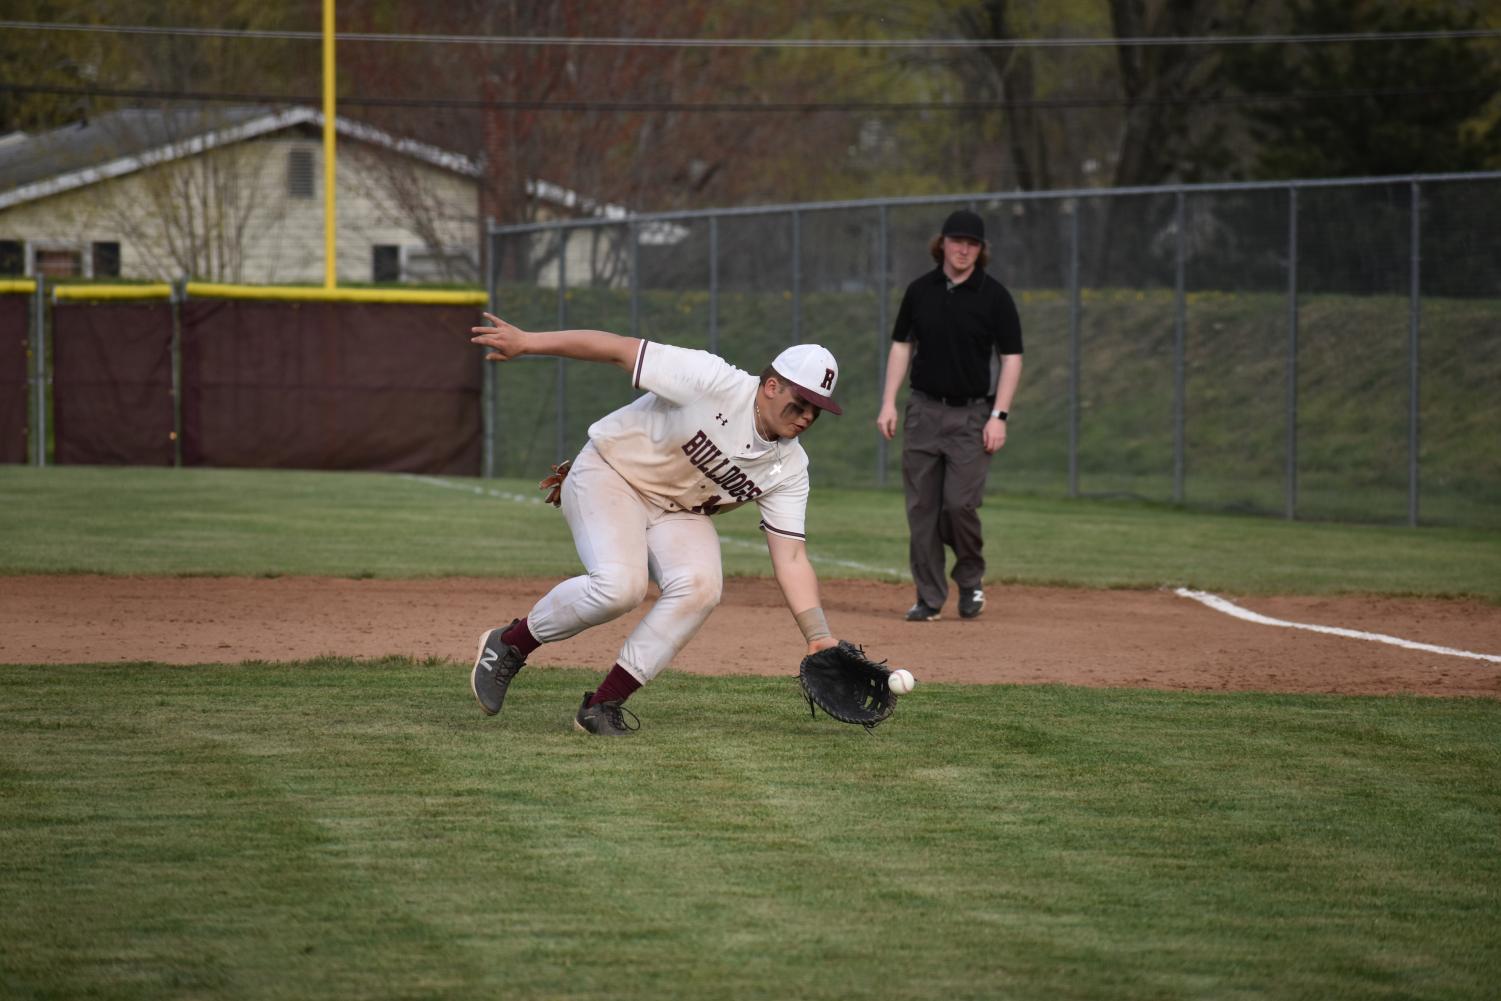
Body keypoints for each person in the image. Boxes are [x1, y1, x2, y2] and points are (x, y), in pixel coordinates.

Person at [467, 313, 844, 735]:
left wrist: (818, 635)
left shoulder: (790, 466)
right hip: (611, 473)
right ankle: (510, 644)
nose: (808, 416)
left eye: (818, 409)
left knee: (701, 588)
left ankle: (602, 705)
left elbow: (791, 557)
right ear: (772, 386)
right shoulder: (712, 380)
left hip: (678, 509)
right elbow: (617, 349)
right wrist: (527, 342)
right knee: (620, 588)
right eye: (802, 403)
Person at [876, 208, 1024, 623]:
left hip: (972, 416)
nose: (964, 249)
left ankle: (971, 580)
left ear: (982, 250)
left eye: (972, 243)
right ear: (942, 243)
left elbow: (1011, 358)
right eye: (957, 241)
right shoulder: (920, 290)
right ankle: (929, 597)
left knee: (959, 505)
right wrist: (888, 402)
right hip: (923, 410)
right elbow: (901, 345)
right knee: (922, 509)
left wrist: (1000, 415)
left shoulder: (994, 296)